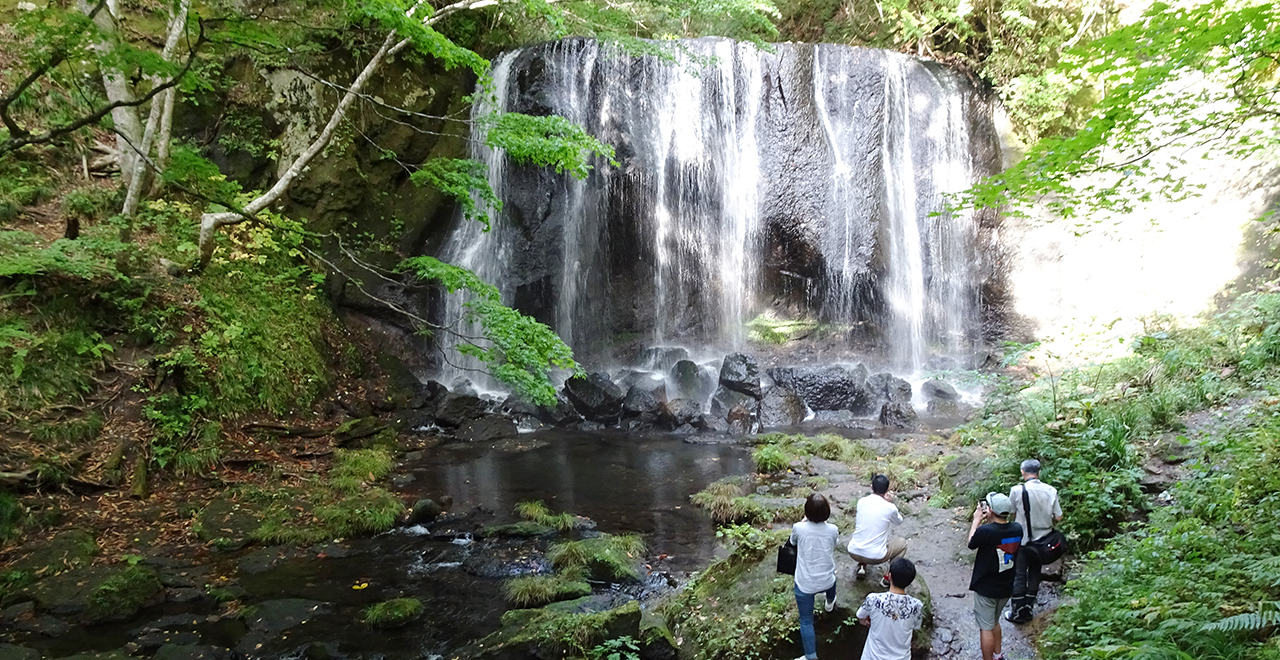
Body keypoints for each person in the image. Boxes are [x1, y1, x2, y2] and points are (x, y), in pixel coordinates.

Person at [1006, 458, 1064, 624]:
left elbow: (1010, 513)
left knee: (1019, 575)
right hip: (1044, 541)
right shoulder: (1051, 490)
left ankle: (1017, 612)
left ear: (1022, 472)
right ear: (1039, 472)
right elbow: (1058, 516)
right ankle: (1029, 608)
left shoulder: (1017, 490)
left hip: (1023, 540)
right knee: (1035, 573)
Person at [968, 492, 1023, 660]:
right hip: (1006, 585)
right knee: (994, 621)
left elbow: (971, 543)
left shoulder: (985, 531)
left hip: (986, 587)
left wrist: (977, 519)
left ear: (990, 510)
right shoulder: (1017, 528)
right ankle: (998, 655)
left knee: (985, 627)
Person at [791, 493, 840, 660]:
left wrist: (803, 523)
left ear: (807, 512)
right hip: (826, 580)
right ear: (827, 512)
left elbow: (792, 542)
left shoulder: (799, 527)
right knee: (832, 578)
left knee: (805, 620)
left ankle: (810, 656)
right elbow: (835, 542)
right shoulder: (832, 529)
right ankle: (829, 602)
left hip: (805, 584)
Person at [855, 558, 924, 660]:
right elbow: (916, 626)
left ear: (889, 576)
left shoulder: (873, 599)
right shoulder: (917, 606)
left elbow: (860, 616)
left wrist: (867, 620)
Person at [847, 474, 907, 588]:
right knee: (903, 543)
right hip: (875, 557)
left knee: (866, 531)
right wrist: (889, 502)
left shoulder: (861, 502)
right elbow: (899, 521)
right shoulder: (889, 507)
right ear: (887, 490)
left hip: (853, 551)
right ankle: (887, 579)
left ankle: (861, 567)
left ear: (871, 487)